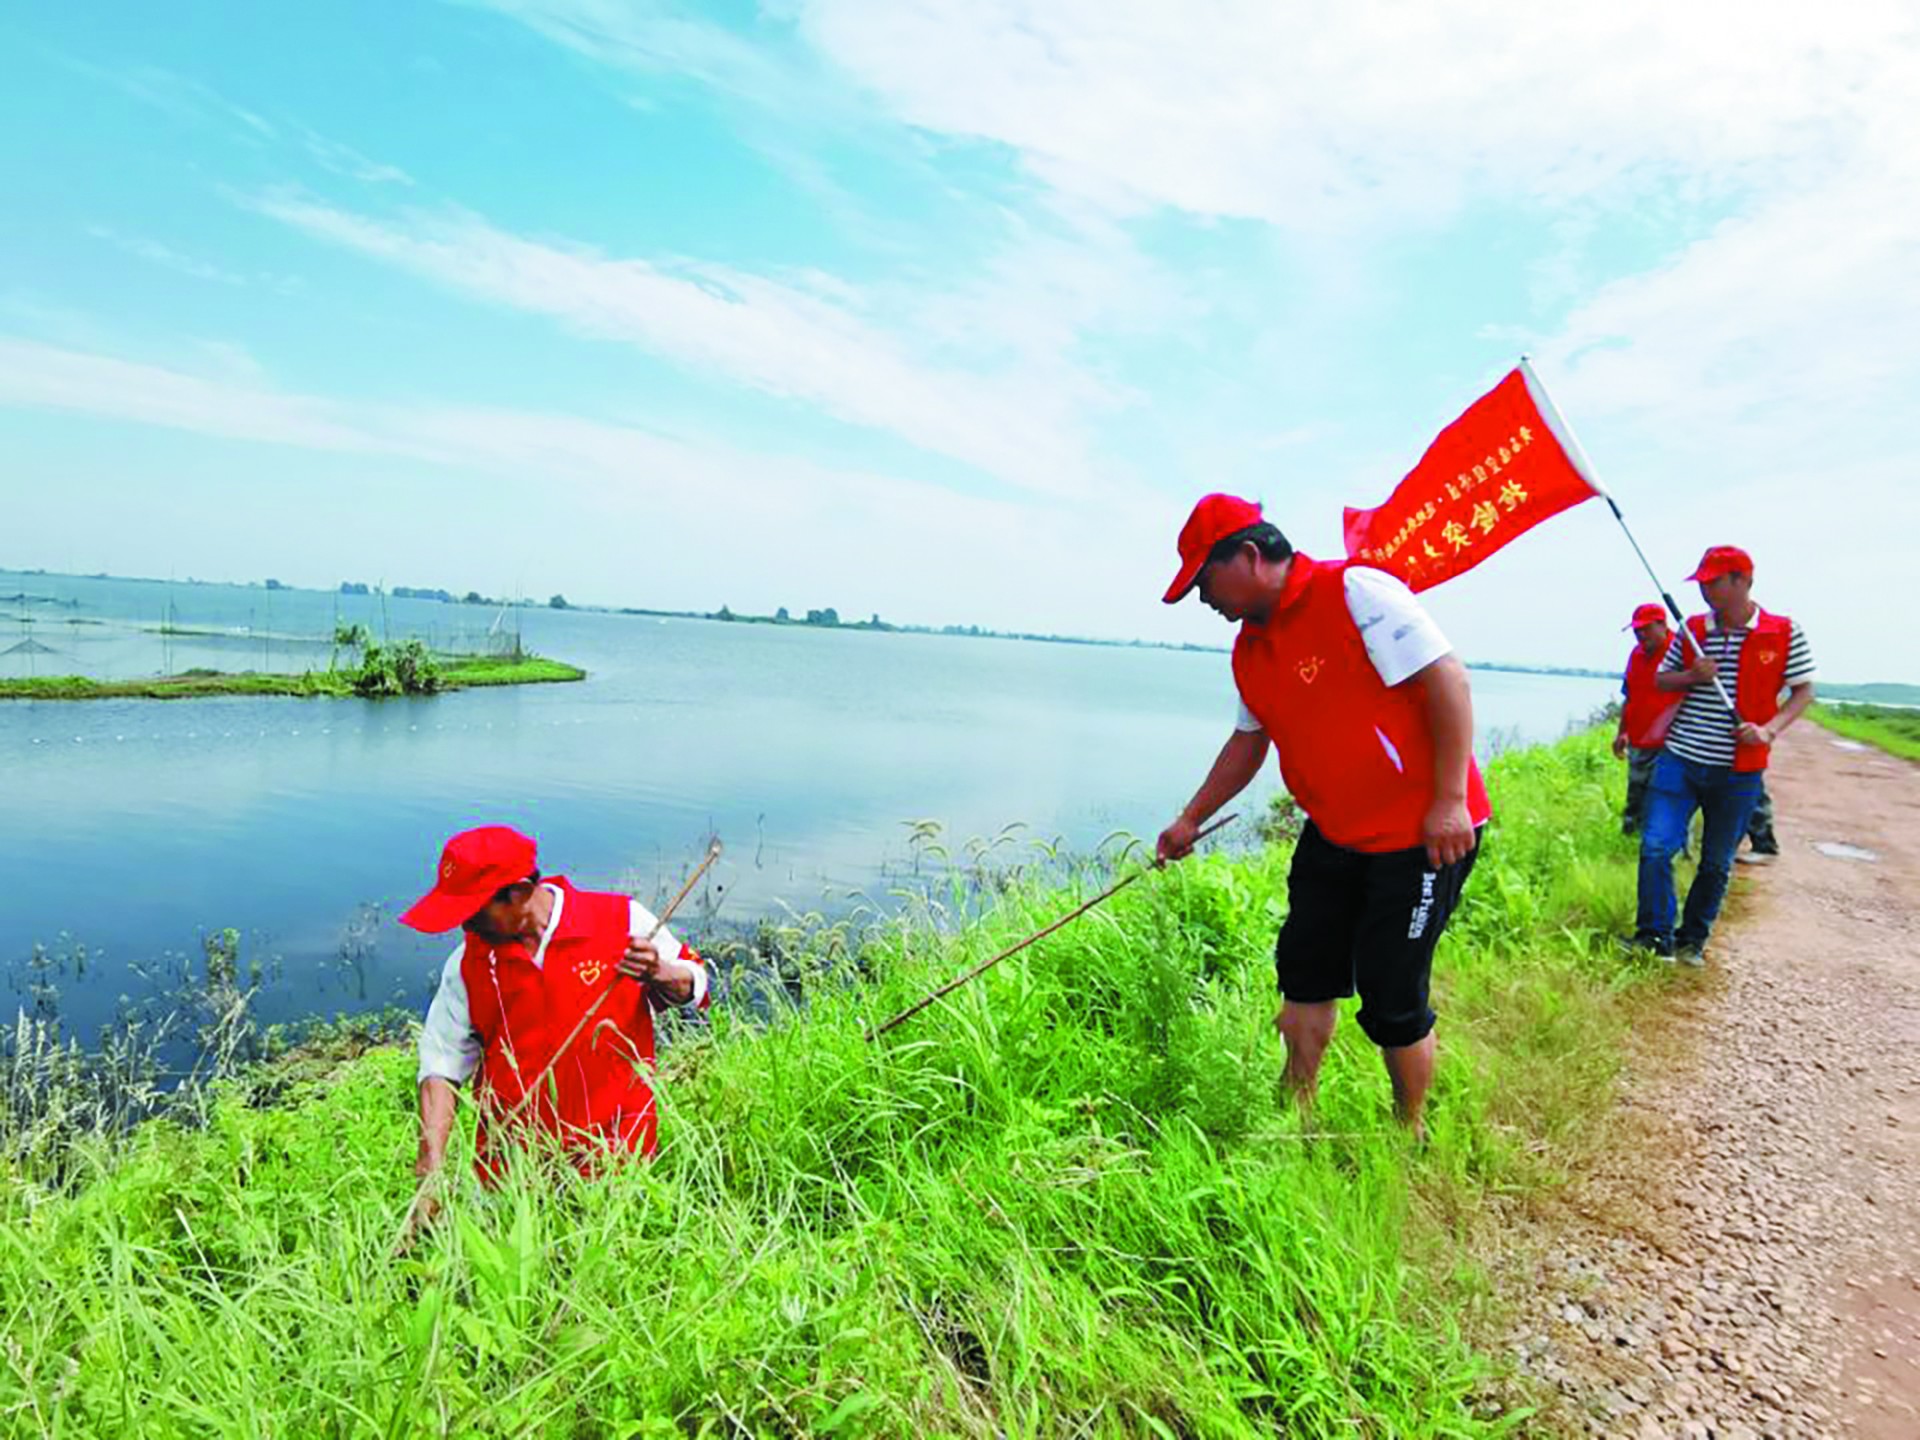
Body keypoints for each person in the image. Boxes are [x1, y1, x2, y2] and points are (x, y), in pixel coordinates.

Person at [1156, 494, 1488, 1136]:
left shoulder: (1356, 590)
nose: (1204, 600)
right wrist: (1190, 819)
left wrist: (1448, 802)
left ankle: (1407, 1131)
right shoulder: (1250, 649)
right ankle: (1296, 1109)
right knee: (1305, 970)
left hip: (1421, 835)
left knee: (1393, 991)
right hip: (1334, 831)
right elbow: (1249, 741)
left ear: (1250, 557)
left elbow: (1447, 679)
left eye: (1205, 581)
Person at [399, 825, 709, 1219]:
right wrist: (431, 1170)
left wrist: (658, 972)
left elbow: (694, 985)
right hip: (508, 1170)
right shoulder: (468, 963)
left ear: (520, 894)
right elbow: (441, 1067)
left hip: (615, 1162)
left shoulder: (620, 920)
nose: (465, 926)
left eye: (474, 912)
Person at [1629, 546, 1814, 964]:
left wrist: (1769, 731)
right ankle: (1654, 937)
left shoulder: (1783, 632)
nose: (1706, 591)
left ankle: (1691, 942)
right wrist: (1693, 675)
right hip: (1681, 758)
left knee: (1716, 861)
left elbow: (1804, 691)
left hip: (1739, 770)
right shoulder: (1693, 630)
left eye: (1713, 583)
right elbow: (1662, 681)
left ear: (1742, 581)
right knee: (1657, 846)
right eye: (1702, 584)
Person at [1613, 602, 1681, 834]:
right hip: (1640, 738)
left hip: (1672, 741)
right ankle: (1629, 838)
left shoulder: (1680, 650)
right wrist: (1623, 731)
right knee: (1636, 793)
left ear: (1662, 625)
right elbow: (1629, 695)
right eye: (1636, 630)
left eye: (1646, 629)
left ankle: (1678, 846)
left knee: (1670, 796)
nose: (1641, 635)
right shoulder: (1636, 654)